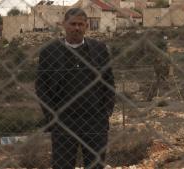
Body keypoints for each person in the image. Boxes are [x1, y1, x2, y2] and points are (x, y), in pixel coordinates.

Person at [35, 8, 115, 169]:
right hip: (64, 121)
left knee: (96, 165)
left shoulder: (99, 49)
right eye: (72, 24)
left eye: (80, 24)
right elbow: (41, 86)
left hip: (94, 121)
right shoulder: (49, 52)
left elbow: (109, 83)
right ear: (64, 25)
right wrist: (52, 118)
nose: (76, 28)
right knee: (62, 165)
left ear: (86, 26)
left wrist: (105, 113)